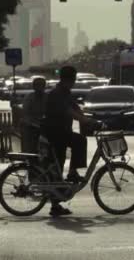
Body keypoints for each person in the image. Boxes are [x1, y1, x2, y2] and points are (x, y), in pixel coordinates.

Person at [43, 66, 97, 217]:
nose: (73, 82)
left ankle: (55, 205)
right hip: (55, 133)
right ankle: (72, 173)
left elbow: (75, 108)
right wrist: (84, 120)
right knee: (78, 141)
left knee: (58, 167)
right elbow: (69, 111)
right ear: (68, 79)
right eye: (73, 79)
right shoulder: (57, 93)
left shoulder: (65, 92)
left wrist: (89, 119)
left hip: (61, 132)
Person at [21, 77, 47, 153]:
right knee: (31, 145)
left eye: (42, 85)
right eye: (38, 85)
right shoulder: (29, 98)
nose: (40, 88)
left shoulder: (47, 97)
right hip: (31, 126)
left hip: (44, 126)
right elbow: (25, 113)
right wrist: (31, 122)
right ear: (34, 87)